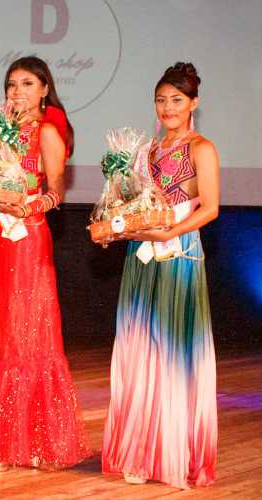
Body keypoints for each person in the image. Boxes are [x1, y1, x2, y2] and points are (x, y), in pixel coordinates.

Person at [102, 62, 219, 488]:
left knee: (170, 355)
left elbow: (210, 208)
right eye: (161, 100)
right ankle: (140, 450)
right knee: (139, 351)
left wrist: (171, 230)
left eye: (176, 100)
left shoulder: (200, 148)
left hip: (178, 254)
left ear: (194, 103)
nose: (168, 108)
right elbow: (130, 205)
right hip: (141, 254)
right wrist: (114, 226)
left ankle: (172, 452)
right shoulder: (145, 151)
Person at [0, 56, 91, 472]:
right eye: (11, 85)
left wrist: (34, 203)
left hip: (29, 234)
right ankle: (14, 439)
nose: (17, 92)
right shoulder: (3, 132)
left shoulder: (46, 130)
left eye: (27, 83)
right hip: (4, 233)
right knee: (11, 331)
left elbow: (57, 186)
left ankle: (35, 441)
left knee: (32, 330)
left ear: (44, 88)